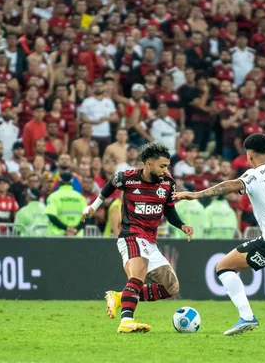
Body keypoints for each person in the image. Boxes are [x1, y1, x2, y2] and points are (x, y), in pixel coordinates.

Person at [174, 134, 265, 337]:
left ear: (249, 156)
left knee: (223, 267)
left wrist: (196, 194)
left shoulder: (252, 176)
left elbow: (228, 186)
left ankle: (247, 317)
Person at [82, 142, 194, 333]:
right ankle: (126, 321)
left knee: (171, 287)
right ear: (148, 164)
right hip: (131, 235)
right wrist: (94, 206)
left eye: (168, 166)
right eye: (162, 166)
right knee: (138, 275)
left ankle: (119, 297)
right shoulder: (127, 178)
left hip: (150, 241)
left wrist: (181, 224)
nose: (166, 170)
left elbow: (169, 209)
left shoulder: (168, 183)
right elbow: (109, 187)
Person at [45, 172, 88, 236]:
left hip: (57, 236)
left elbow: (51, 216)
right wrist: (75, 229)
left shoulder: (53, 197)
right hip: (77, 236)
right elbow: (87, 217)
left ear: (59, 181)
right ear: (72, 182)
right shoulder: (81, 198)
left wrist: (66, 229)